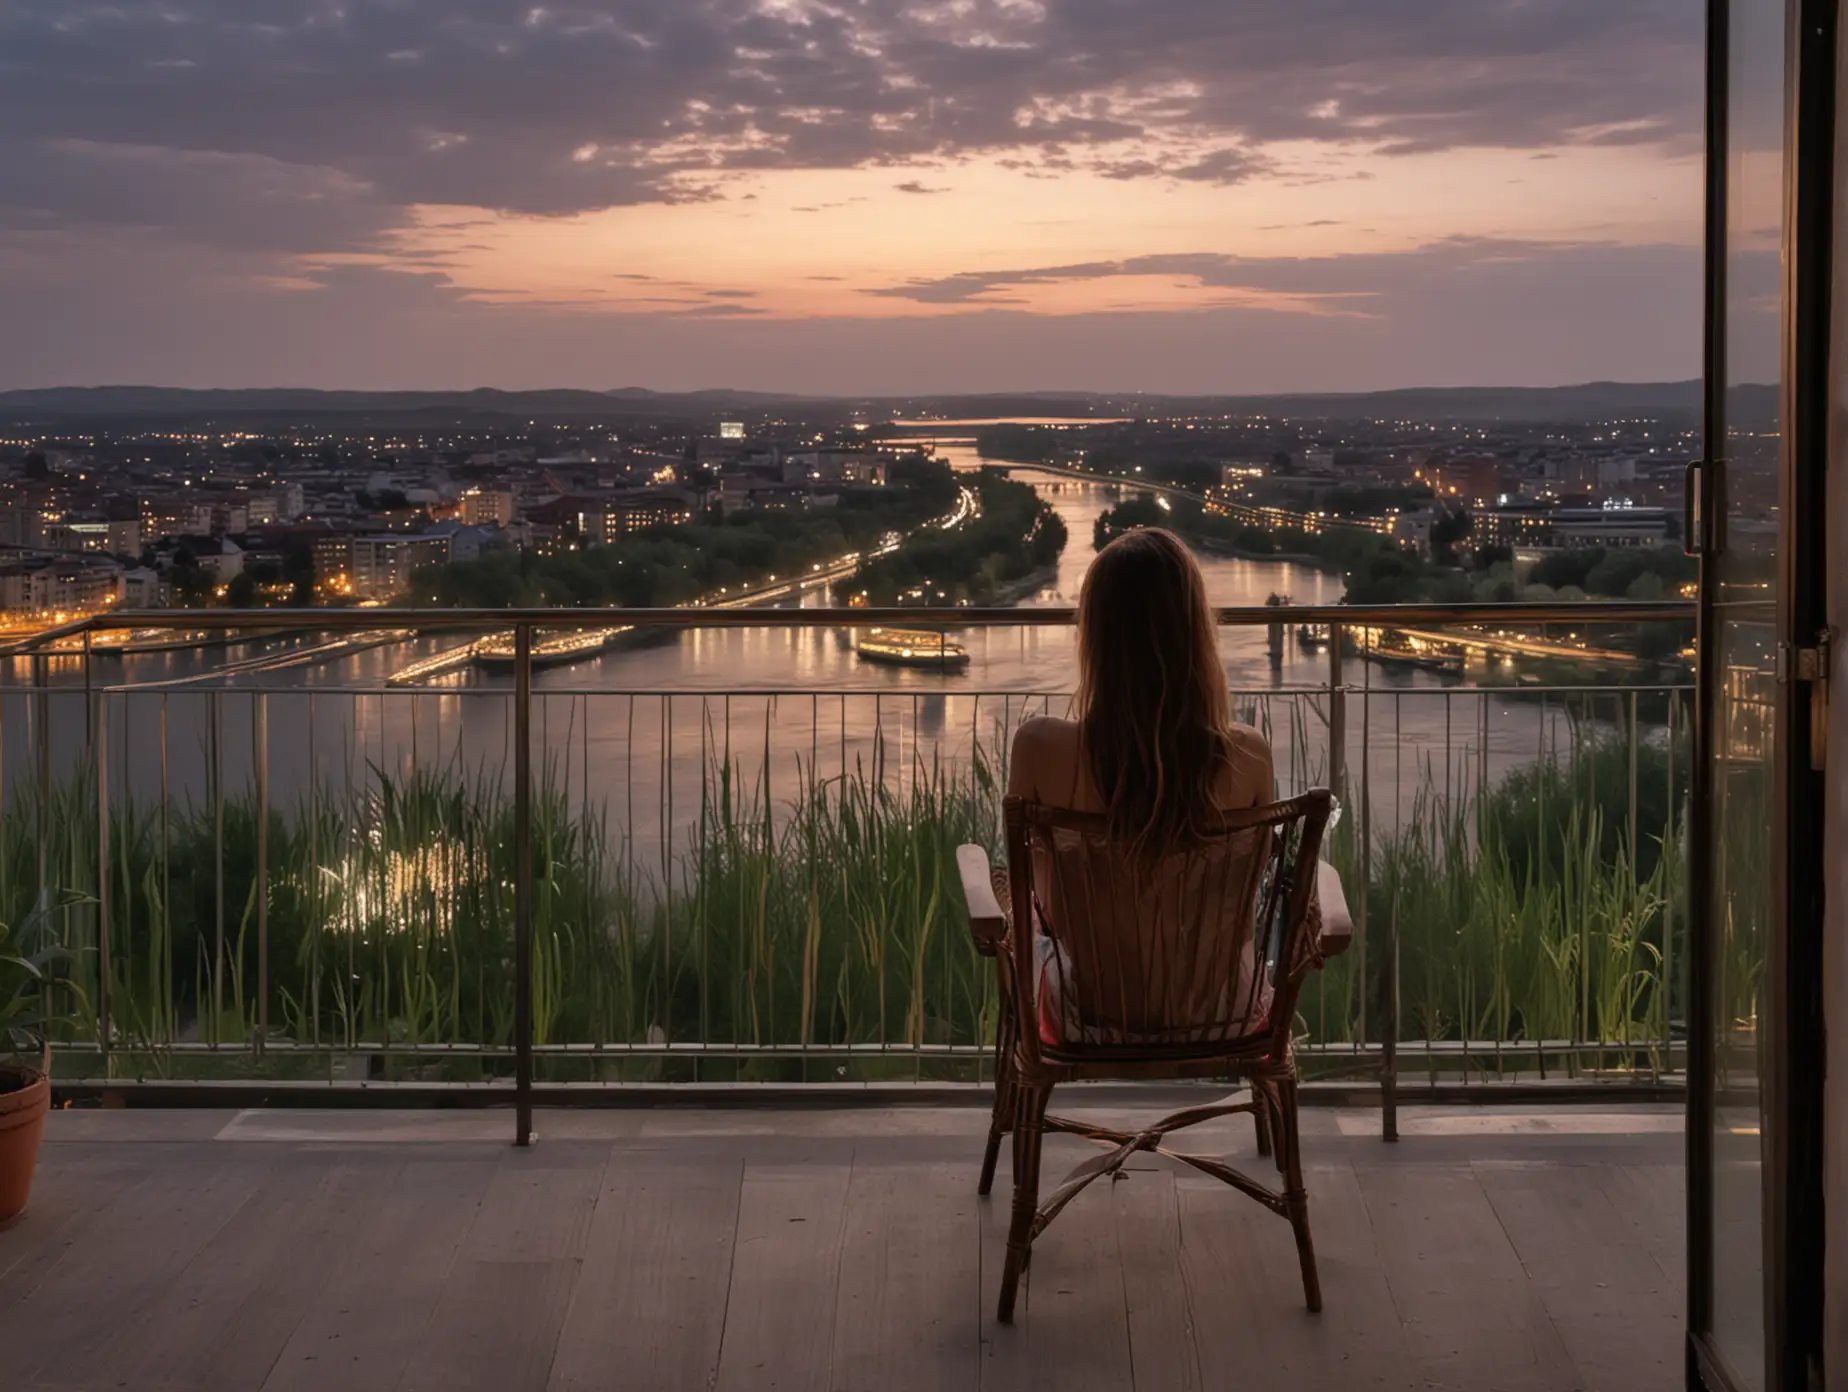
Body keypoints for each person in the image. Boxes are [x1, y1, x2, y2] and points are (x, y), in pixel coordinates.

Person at [1006, 526, 1286, 1044]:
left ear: (1093, 634)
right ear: (1195, 634)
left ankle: (1023, 1114)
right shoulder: (1248, 755)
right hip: (1221, 1015)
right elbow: (1245, 912)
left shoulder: (1039, 748)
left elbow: (1038, 897)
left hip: (1086, 1017)